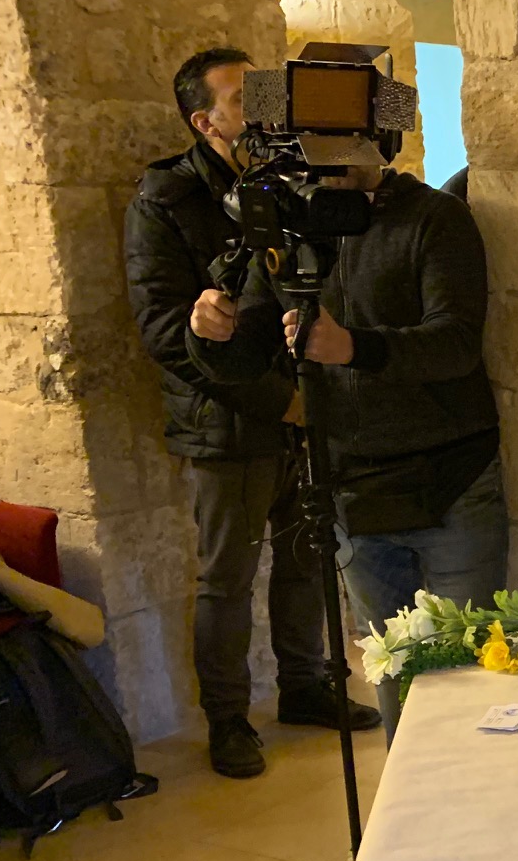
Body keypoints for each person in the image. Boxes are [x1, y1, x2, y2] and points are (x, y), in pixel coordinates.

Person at [124, 47, 379, 779]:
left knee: (306, 559)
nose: (266, 109)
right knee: (226, 579)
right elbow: (167, 334)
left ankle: (304, 685)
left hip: (303, 402)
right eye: (244, 99)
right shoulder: (166, 200)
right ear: (204, 121)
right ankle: (229, 719)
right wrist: (281, 401)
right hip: (226, 420)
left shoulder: (293, 180)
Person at [185, 148, 505, 643]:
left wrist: (353, 347)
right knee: (393, 666)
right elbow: (246, 355)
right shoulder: (289, 231)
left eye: (343, 142)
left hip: (451, 478)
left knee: (474, 660)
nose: (330, 160)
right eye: (314, 143)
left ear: (379, 139)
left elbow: (455, 343)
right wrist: (208, 331)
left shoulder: (433, 216)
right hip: (351, 487)